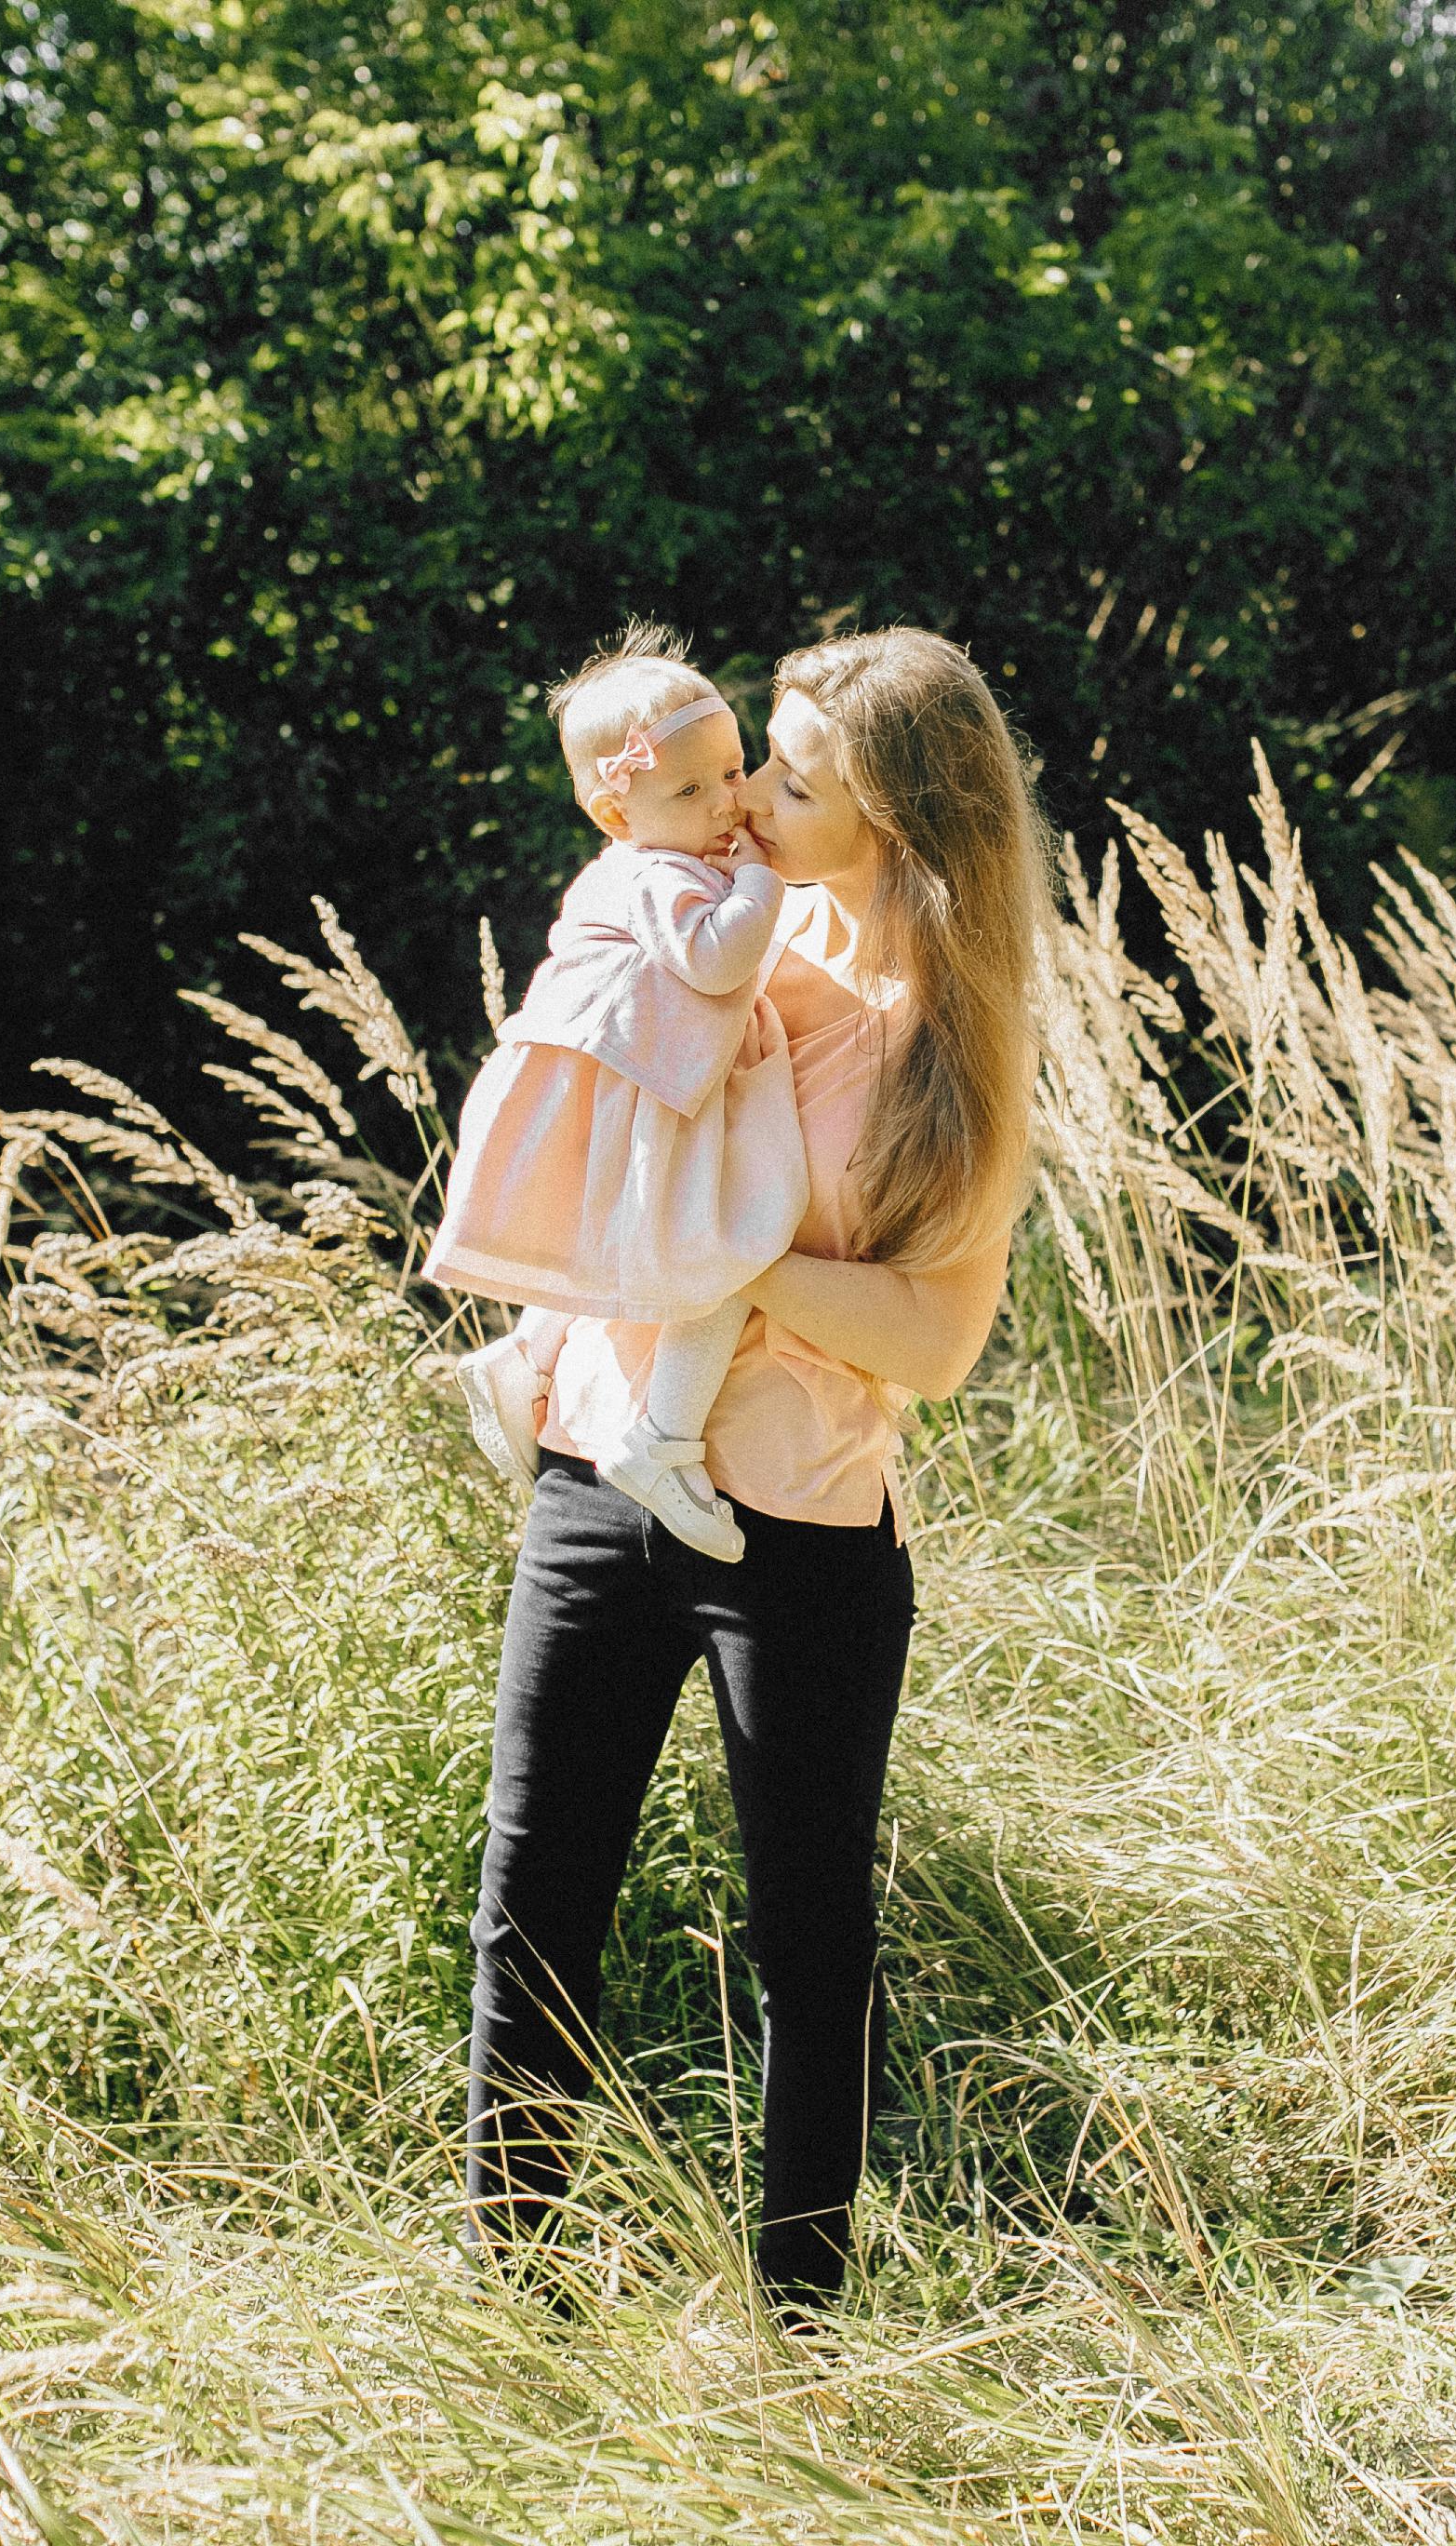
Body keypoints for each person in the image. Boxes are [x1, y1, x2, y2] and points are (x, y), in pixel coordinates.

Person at [460, 625, 1044, 2315]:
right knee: (531, 1903)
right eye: (760, 761)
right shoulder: (702, 928)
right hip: (594, 1477)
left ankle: (799, 2322)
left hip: (798, 1528)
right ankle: (516, 2301)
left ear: (896, 813)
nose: (760, 797)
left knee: (807, 1942)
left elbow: (931, 1345)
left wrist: (711, 1260)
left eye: (797, 775)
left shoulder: (955, 1042)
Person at [425, 625, 808, 1561]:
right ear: (616, 814)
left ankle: (526, 1356)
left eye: (730, 771)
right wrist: (761, 880)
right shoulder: (654, 873)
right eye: (690, 790)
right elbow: (716, 965)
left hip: (654, 1085)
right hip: (653, 1092)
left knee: (631, 1242)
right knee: (718, 1252)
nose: (727, 802)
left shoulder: (669, 859)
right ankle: (662, 1442)